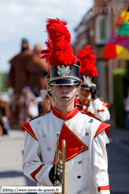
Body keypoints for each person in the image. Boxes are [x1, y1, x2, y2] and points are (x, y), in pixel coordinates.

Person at [21, 18, 111, 194]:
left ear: (77, 88)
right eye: (59, 86)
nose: (64, 91)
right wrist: (49, 173)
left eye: (69, 86)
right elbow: (28, 164)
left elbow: (101, 173)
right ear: (50, 87)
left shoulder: (93, 127)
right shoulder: (35, 126)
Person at [75, 45, 110, 122]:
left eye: (88, 90)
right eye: (83, 89)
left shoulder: (98, 103)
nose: (84, 92)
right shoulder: (73, 104)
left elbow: (104, 117)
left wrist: (95, 99)